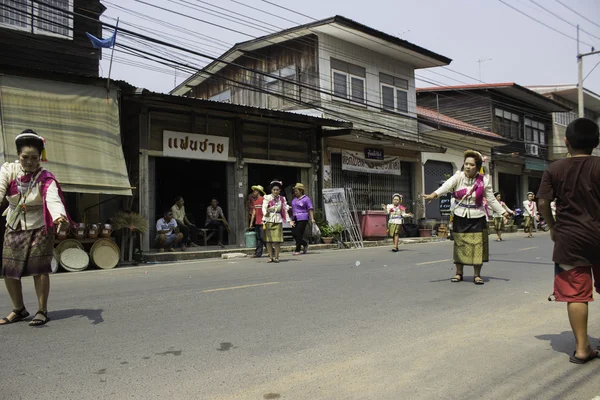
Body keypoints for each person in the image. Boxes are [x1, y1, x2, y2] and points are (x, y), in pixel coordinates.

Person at [537, 118, 600, 364]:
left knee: (577, 295)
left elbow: (542, 202)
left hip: (569, 240)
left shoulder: (554, 169)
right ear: (597, 142)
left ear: (566, 141)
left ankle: (582, 349)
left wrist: (553, 227)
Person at [0, 130, 69, 327]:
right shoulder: (8, 170)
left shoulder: (45, 177)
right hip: (14, 223)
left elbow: (52, 198)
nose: (29, 162)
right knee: (9, 269)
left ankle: (42, 310)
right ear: (18, 155)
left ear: (40, 157)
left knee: (39, 269)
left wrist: (58, 217)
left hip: (40, 225)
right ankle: (19, 309)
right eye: (25, 157)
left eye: (34, 158)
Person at [422, 150, 509, 285]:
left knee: (477, 246)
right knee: (460, 245)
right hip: (460, 215)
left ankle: (477, 275)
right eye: (466, 163)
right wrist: (434, 194)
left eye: (471, 164)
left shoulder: (484, 181)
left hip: (477, 216)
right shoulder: (458, 176)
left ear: (477, 166)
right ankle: (459, 273)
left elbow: (491, 200)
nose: (468, 166)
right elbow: (446, 186)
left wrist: (503, 212)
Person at [262, 180, 290, 263]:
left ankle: (277, 257)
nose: (275, 191)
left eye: (277, 190)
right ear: (271, 190)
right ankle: (270, 257)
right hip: (269, 220)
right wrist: (266, 213)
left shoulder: (282, 198)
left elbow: (284, 210)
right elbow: (263, 208)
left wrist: (289, 220)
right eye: (274, 189)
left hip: (278, 220)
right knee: (268, 240)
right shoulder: (267, 197)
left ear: (279, 190)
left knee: (277, 240)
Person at [290, 183, 315, 256]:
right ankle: (304, 243)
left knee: (299, 233)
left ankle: (297, 249)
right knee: (294, 233)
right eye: (295, 191)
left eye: (296, 191)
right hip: (295, 218)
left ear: (301, 191)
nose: (295, 192)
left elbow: (310, 209)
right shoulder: (294, 199)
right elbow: (293, 209)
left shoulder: (306, 199)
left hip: (303, 218)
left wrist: (312, 218)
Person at [249, 185, 266, 258]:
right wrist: (251, 223)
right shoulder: (255, 202)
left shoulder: (263, 200)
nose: (253, 192)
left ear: (258, 192)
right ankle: (258, 253)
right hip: (257, 222)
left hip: (263, 222)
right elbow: (254, 213)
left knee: (262, 238)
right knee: (258, 238)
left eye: (255, 191)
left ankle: (272, 250)